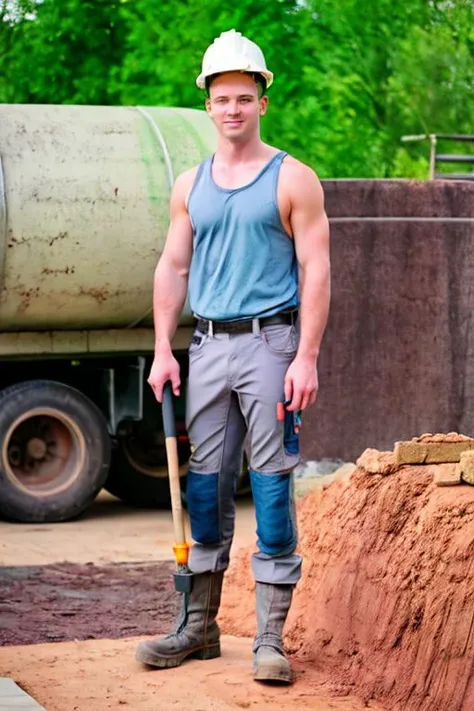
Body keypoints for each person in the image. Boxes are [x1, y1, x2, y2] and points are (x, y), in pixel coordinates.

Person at [135, 29, 330, 684]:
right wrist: (163, 346)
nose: (233, 110)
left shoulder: (294, 178)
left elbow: (317, 270)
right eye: (223, 99)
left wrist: (306, 355)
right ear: (209, 105)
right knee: (204, 482)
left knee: (272, 485)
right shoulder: (190, 184)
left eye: (245, 98)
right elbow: (173, 263)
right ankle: (198, 627)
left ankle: (270, 640)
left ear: (262, 103)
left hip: (272, 343)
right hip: (208, 345)